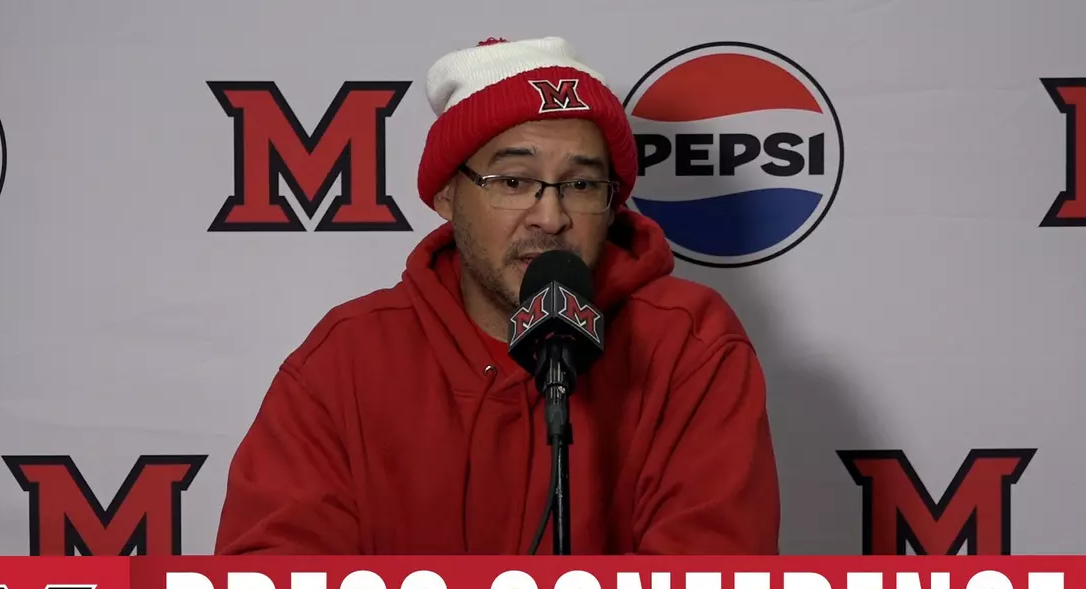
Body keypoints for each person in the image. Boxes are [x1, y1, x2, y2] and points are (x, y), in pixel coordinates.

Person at [214, 37, 779, 555]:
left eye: (581, 185)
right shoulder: (346, 360)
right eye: (513, 181)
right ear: (446, 194)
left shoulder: (690, 344)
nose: (550, 217)